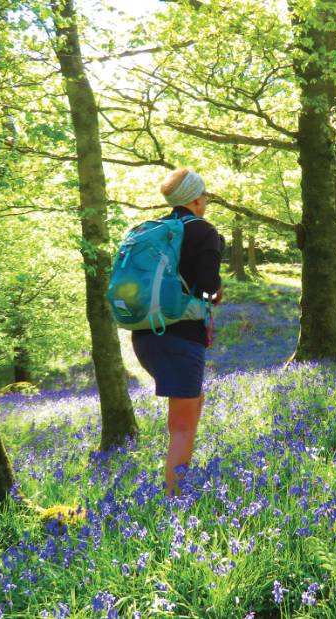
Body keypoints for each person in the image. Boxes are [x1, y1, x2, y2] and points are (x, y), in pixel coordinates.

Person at [131, 168, 223, 496]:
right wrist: (216, 293)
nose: (207, 199)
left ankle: (177, 487)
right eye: (206, 194)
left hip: (144, 335)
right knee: (183, 427)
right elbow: (210, 288)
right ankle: (175, 505)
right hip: (181, 337)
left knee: (192, 404)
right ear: (196, 199)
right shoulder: (204, 232)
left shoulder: (152, 230)